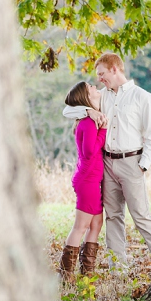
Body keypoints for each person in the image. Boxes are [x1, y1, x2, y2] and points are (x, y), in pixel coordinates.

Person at [63, 52, 151, 268]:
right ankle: (117, 268)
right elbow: (67, 109)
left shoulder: (142, 97)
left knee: (141, 216)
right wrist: (87, 111)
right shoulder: (103, 96)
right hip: (107, 164)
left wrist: (143, 165)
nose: (99, 79)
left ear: (114, 69)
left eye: (102, 73)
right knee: (113, 216)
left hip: (133, 162)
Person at [59, 81, 106, 283]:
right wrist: (103, 130)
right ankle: (66, 274)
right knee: (81, 226)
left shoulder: (89, 117)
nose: (96, 88)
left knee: (96, 223)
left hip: (93, 180)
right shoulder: (87, 122)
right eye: (91, 88)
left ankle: (87, 272)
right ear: (86, 98)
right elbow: (89, 152)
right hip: (87, 180)